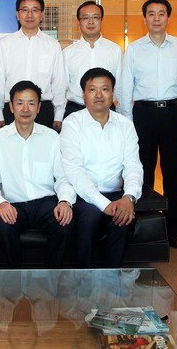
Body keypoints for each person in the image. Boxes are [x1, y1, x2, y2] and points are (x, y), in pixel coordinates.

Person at [118, 0, 177, 249]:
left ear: (168, 17)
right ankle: (144, 228)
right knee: (143, 173)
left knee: (172, 175)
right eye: (151, 13)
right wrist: (128, 121)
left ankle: (173, 230)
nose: (156, 18)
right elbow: (125, 88)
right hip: (143, 114)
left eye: (161, 13)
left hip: (172, 112)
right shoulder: (134, 49)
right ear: (145, 18)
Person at [0, 80, 75, 268]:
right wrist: (0, 203)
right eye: (20, 103)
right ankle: (15, 275)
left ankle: (51, 275)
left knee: (65, 222)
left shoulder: (51, 137)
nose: (25, 109)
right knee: (3, 226)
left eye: (31, 103)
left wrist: (65, 201)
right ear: (11, 107)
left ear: (39, 107)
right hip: (13, 203)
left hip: (45, 202)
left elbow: (63, 177)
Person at [60, 67, 143, 268]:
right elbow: (74, 170)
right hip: (84, 195)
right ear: (83, 95)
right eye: (92, 90)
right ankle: (84, 278)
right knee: (90, 217)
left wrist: (129, 197)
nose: (99, 95)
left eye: (105, 89)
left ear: (112, 93)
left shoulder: (125, 125)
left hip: (116, 193)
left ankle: (110, 277)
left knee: (124, 217)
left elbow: (133, 166)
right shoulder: (72, 123)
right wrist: (103, 204)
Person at [0, 0, 67, 130]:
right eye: (25, 10)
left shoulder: (53, 45)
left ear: (42, 15)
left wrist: (59, 115)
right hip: (13, 108)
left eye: (35, 10)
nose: (30, 15)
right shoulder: (5, 44)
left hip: (43, 109)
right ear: (17, 14)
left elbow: (59, 82)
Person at [63, 1, 122, 118]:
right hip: (76, 109)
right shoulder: (68, 53)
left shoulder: (115, 50)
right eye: (86, 18)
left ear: (101, 20)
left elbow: (120, 86)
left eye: (95, 17)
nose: (91, 22)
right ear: (79, 22)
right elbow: (62, 87)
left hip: (107, 110)